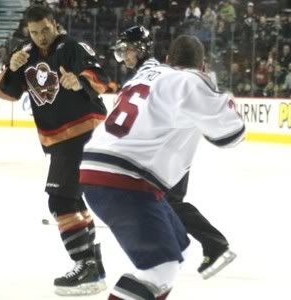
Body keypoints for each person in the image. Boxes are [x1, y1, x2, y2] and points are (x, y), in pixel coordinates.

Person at [79, 35, 245, 299]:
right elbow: (231, 135)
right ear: (202, 65)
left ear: (168, 59)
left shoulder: (145, 74)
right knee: (160, 269)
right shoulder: (191, 80)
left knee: (177, 245)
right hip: (126, 178)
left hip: (100, 169)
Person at [0, 4, 109, 296]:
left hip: (84, 132)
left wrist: (80, 80)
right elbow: (7, 94)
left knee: (59, 200)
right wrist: (12, 68)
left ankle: (85, 266)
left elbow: (101, 79)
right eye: (34, 32)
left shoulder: (72, 46)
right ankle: (93, 262)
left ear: (54, 24)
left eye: (45, 29)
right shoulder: (26, 54)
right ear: (28, 31)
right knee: (73, 200)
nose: (41, 37)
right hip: (59, 139)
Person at [112, 25, 237, 280]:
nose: (124, 56)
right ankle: (199, 245)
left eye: (128, 50)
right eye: (122, 51)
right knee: (164, 202)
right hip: (169, 153)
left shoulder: (158, 74)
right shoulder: (154, 74)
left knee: (165, 201)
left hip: (169, 154)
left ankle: (213, 244)